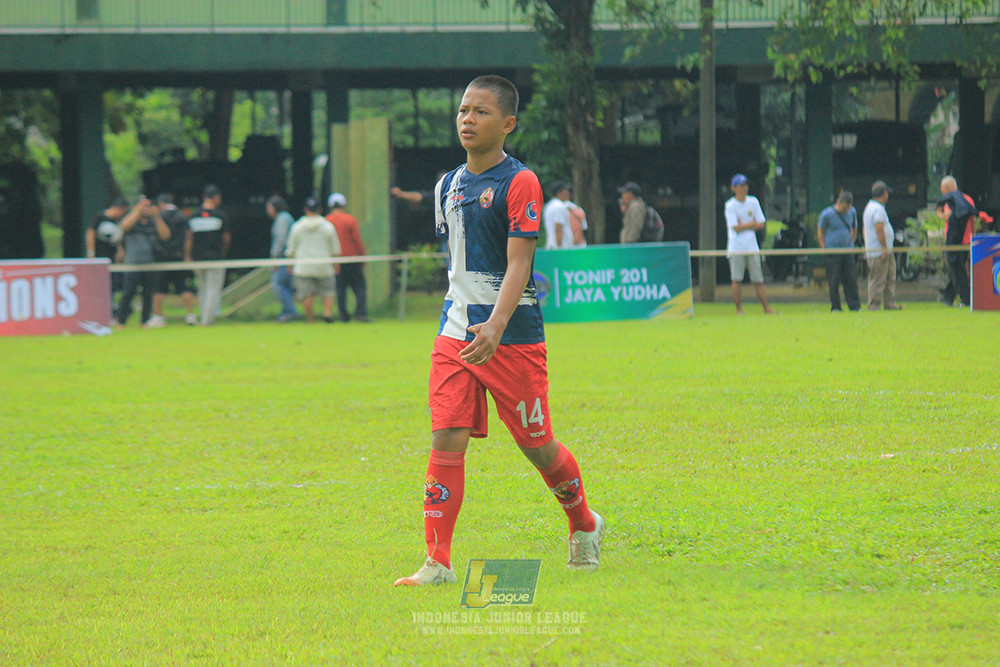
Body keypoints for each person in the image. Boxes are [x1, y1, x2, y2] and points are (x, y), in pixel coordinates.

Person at [394, 75, 604, 588]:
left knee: (539, 446)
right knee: (446, 435)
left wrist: (498, 323)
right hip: (456, 332)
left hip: (512, 336)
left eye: (481, 112)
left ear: (507, 124)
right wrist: (470, 323)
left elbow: (518, 263)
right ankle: (437, 562)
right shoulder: (448, 185)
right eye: (463, 110)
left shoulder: (521, 182)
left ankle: (584, 522)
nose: (467, 119)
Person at [724, 174, 775, 315]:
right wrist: (751, 224)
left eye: (745, 185)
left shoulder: (753, 202)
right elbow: (735, 227)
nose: (744, 188)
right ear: (734, 188)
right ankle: (739, 310)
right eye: (741, 186)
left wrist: (745, 225)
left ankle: (766, 308)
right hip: (736, 248)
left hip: (752, 247)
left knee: (758, 279)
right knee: (737, 279)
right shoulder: (730, 205)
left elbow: (760, 223)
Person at [116, 196, 170, 328]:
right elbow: (124, 227)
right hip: (132, 264)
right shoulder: (132, 221)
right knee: (128, 293)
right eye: (143, 205)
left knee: (148, 294)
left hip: (150, 263)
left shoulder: (153, 222)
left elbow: (165, 235)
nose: (146, 209)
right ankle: (121, 322)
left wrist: (157, 217)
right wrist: (137, 212)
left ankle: (145, 321)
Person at [286, 197, 340, 323]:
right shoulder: (328, 226)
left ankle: (311, 319)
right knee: (328, 290)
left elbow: (291, 248)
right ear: (320, 210)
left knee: (306, 293)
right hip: (324, 264)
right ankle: (327, 312)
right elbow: (335, 247)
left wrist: (290, 263)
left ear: (305, 210)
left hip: (303, 265)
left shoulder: (297, 227)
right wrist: (335, 262)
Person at [185, 184, 232, 326]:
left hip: (198, 258)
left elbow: (189, 238)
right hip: (215, 257)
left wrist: (188, 256)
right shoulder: (220, 215)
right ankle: (207, 320)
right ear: (217, 197)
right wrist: (223, 252)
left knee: (202, 288)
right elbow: (226, 238)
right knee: (213, 289)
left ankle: (203, 316)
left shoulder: (194, 215)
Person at [148, 193, 195, 327]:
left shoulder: (159, 217)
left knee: (158, 288)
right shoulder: (182, 215)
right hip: (179, 256)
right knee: (183, 286)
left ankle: (158, 317)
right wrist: (187, 255)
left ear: (161, 204)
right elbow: (189, 236)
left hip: (162, 258)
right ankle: (190, 315)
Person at [325, 193, 369, 322]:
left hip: (336, 260)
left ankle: (343, 315)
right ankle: (360, 313)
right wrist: (362, 255)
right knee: (359, 286)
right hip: (352, 258)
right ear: (344, 205)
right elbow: (357, 240)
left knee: (340, 288)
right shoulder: (350, 220)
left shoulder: (327, 220)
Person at [935, 176, 976, 309]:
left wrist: (940, 214)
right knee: (956, 269)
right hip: (966, 241)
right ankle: (948, 297)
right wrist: (973, 235)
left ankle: (966, 299)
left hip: (955, 242)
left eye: (943, 191)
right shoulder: (968, 199)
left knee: (957, 271)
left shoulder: (951, 201)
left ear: (947, 188)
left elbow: (946, 216)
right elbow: (973, 220)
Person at [817, 191, 861, 312]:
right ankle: (836, 306)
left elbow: (854, 226)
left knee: (851, 279)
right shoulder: (827, 214)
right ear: (838, 203)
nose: (846, 211)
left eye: (848, 208)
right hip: (833, 251)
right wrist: (823, 246)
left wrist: (851, 240)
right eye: (844, 208)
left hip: (847, 251)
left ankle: (854, 305)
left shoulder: (852, 212)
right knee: (834, 279)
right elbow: (821, 230)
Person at [862, 180, 901, 311]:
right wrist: (883, 248)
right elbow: (879, 229)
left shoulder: (871, 207)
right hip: (880, 251)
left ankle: (890, 303)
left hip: (884, 250)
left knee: (890, 277)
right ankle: (874, 305)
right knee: (878, 279)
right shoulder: (877, 209)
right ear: (884, 193)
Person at [86, 198, 128, 310]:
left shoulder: (117, 221)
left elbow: (116, 238)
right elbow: (90, 232)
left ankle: (111, 308)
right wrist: (91, 252)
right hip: (100, 255)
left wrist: (120, 250)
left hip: (112, 258)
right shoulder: (100, 217)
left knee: (113, 283)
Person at [267, 195, 299, 323]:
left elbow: (281, 240)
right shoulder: (286, 218)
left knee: (279, 285)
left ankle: (290, 311)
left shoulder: (282, 219)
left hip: (283, 258)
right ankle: (287, 311)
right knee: (286, 285)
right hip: (286, 258)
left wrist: (274, 257)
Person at [543, 181, 585, 249]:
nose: (568, 194)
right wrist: (559, 248)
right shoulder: (560, 206)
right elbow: (558, 228)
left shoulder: (549, 206)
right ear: (560, 192)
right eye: (566, 191)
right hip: (563, 247)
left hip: (550, 245)